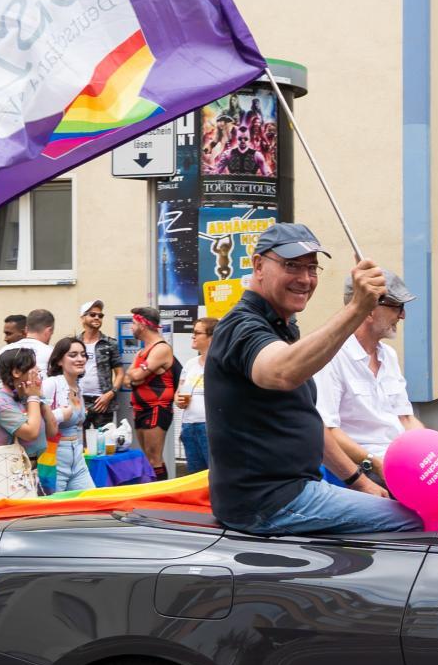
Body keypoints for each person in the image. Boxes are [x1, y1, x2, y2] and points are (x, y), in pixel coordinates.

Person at [205, 223, 422, 536]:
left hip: (297, 491)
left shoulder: (281, 328)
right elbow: (281, 372)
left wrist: (359, 482)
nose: (305, 279)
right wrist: (358, 308)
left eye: (312, 268)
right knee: (416, 522)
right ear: (258, 266)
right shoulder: (240, 327)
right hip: (268, 503)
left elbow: (309, 422)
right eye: (291, 265)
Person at [314, 270, 421, 484]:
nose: (402, 315)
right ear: (369, 310)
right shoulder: (332, 357)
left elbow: (406, 419)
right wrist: (375, 462)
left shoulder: (388, 355)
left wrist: (437, 452)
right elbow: (327, 430)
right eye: (397, 306)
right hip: (363, 468)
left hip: (403, 460)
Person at [0, 347, 45, 502]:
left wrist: (38, 398)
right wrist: (33, 397)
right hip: (7, 473)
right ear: (17, 372)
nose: (37, 370)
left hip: (29, 471)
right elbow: (31, 432)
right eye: (32, 367)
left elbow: (50, 431)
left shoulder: (22, 396)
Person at [124, 307, 176, 478]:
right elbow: (127, 379)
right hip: (140, 408)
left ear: (142, 325)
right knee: (147, 457)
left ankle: (163, 498)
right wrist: (136, 376)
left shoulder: (160, 348)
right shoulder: (141, 351)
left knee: (155, 458)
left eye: (133, 323)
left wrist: (137, 376)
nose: (131, 327)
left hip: (157, 407)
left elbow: (136, 375)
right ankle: (154, 495)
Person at [41, 337, 92, 494]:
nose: (80, 359)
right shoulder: (51, 384)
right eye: (73, 355)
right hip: (54, 457)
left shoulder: (77, 387)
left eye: (83, 355)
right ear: (59, 361)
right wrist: (60, 414)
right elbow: (36, 420)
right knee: (52, 510)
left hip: (77, 456)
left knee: (90, 502)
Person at [176, 318, 216, 475]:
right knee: (194, 475)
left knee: (213, 475)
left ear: (211, 338)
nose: (192, 336)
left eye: (197, 333)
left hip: (209, 426)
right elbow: (179, 392)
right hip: (189, 426)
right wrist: (178, 399)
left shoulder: (221, 364)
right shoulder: (190, 364)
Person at [76, 299, 123, 430]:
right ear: (83, 317)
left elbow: (120, 374)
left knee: (105, 442)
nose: (97, 317)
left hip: (103, 401)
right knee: (79, 442)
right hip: (79, 401)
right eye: (92, 314)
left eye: (100, 315)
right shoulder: (74, 343)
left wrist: (110, 394)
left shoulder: (109, 343)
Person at [0, 314, 26, 397]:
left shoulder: (5, 351)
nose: (5, 338)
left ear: (24, 332)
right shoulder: (5, 352)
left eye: (9, 334)